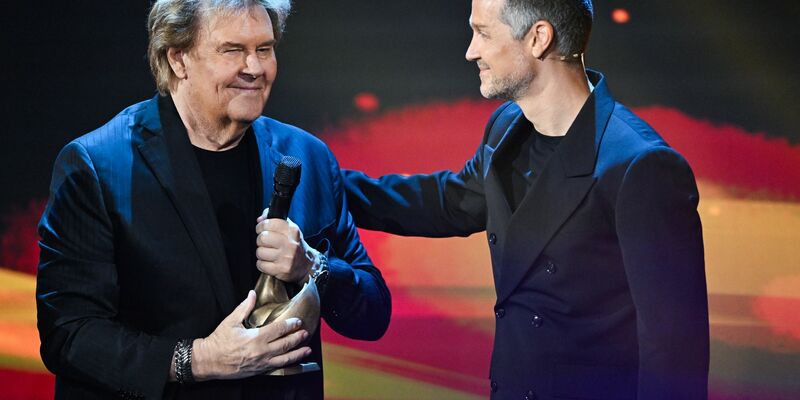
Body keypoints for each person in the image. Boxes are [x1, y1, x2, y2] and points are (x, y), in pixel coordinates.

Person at [343, 0, 708, 399]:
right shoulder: (505, 128)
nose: (470, 50)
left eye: (482, 32)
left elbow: (674, 355)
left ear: (538, 38)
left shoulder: (641, 166)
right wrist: (325, 181)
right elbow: (448, 201)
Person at [36, 1, 391, 399]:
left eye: (264, 49)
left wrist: (313, 266)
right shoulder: (98, 166)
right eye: (233, 50)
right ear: (179, 58)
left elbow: (373, 314)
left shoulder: (308, 156)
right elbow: (69, 335)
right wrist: (200, 359)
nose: (255, 68)